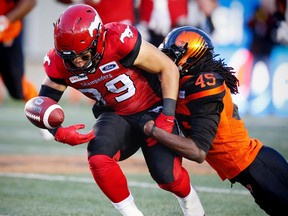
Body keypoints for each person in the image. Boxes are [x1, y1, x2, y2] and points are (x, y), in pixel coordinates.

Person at [34, 4, 205, 216]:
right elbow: (43, 103)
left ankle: (193, 206)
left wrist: (168, 115)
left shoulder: (119, 40)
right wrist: (56, 132)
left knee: (168, 177)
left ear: (97, 40)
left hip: (152, 107)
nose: (77, 63)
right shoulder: (59, 62)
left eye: (83, 56)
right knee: (98, 157)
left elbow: (167, 67)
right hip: (115, 114)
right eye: (70, 58)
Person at [141, 26, 288, 215]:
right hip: (249, 170)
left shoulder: (205, 84)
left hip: (259, 168)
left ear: (190, 56)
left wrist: (153, 131)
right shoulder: (186, 81)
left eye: (171, 55)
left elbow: (198, 151)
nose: (166, 61)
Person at [0, 0, 38, 102]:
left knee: (17, 88)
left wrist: (5, 20)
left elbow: (30, 2)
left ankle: (39, 104)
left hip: (8, 35)